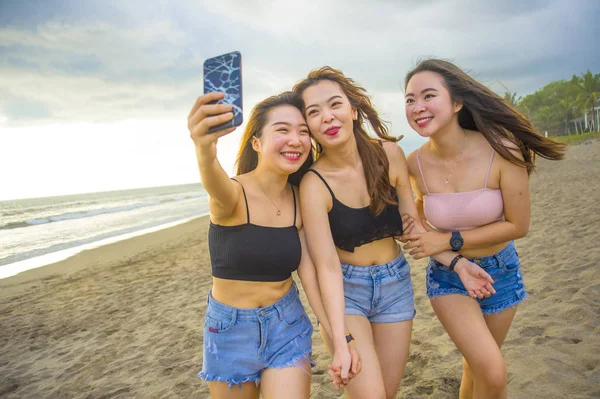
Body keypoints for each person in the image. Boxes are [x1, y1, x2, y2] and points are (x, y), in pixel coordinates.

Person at [293, 67, 495, 399]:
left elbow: (409, 226)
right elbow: (326, 265)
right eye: (314, 112)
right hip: (346, 291)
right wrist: (339, 337)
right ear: (308, 126)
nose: (327, 117)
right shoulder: (314, 184)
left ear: (353, 110)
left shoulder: (389, 154)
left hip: (395, 286)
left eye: (335, 105)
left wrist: (457, 262)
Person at [400, 59, 566, 399]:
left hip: (500, 272)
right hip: (449, 276)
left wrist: (449, 238)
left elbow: (518, 225)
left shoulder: (500, 148)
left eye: (428, 96)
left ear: (457, 102)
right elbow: (417, 230)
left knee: (477, 367)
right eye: (410, 100)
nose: (418, 107)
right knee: (492, 371)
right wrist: (451, 256)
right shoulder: (412, 165)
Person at [187, 90, 359, 398]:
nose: (295, 140)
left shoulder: (299, 198)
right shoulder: (232, 195)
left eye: (303, 132)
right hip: (229, 331)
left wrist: (340, 337)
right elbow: (213, 182)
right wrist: (204, 149)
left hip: (286, 325)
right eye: (282, 130)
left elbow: (311, 275)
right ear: (257, 142)